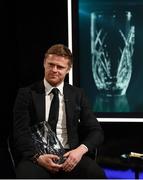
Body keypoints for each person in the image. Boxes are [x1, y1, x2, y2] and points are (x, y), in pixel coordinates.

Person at [13, 44, 106, 179]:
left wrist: (79, 152)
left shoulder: (78, 94)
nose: (54, 70)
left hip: (70, 155)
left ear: (68, 69)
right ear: (44, 63)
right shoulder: (26, 94)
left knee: (96, 174)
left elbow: (96, 131)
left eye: (60, 67)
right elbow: (20, 132)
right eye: (51, 64)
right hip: (37, 156)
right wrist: (37, 157)